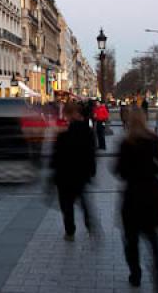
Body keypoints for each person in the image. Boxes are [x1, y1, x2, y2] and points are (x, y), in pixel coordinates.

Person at [115, 106, 158, 288]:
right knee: (153, 237)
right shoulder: (154, 140)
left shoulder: (126, 143)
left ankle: (135, 273)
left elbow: (119, 171)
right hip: (152, 195)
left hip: (132, 197)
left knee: (131, 240)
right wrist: (152, 170)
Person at [51, 101, 96, 241]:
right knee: (83, 199)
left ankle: (70, 231)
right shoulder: (88, 132)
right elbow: (91, 153)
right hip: (81, 173)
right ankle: (89, 223)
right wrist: (91, 170)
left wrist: (52, 175)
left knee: (67, 204)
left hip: (64, 176)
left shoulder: (63, 135)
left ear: (68, 115)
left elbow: (56, 157)